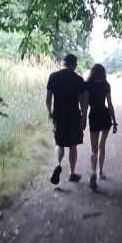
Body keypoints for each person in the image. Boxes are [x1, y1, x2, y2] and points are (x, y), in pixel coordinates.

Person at [46, 53, 89, 184]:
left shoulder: (53, 76)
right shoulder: (78, 79)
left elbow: (48, 97)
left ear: (63, 63)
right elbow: (83, 102)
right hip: (74, 115)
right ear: (74, 65)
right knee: (72, 145)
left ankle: (58, 164)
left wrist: (50, 111)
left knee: (60, 144)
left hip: (59, 115)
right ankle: (72, 173)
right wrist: (83, 118)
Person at [85, 63, 117, 191]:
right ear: (103, 73)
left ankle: (93, 171)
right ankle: (101, 171)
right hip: (105, 115)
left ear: (92, 73)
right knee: (102, 145)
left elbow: (85, 104)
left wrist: (83, 120)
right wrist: (114, 121)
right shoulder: (106, 85)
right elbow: (110, 104)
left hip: (94, 115)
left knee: (94, 149)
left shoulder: (87, 85)